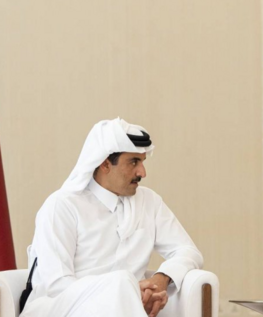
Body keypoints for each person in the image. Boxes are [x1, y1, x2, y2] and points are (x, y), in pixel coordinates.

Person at [22, 118, 203, 317]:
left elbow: (188, 251)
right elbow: (57, 285)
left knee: (123, 283)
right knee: (122, 282)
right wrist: (123, 291)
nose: (142, 172)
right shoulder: (62, 206)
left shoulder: (149, 202)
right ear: (105, 164)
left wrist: (161, 278)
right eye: (133, 162)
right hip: (60, 309)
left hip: (127, 308)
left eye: (142, 162)